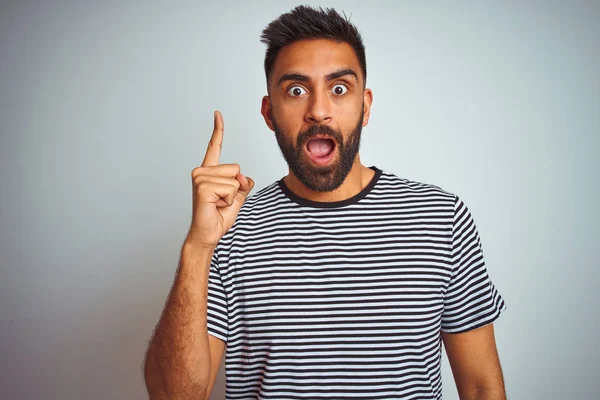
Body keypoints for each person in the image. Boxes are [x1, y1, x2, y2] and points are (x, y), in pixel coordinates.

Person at [143, 5, 507, 400]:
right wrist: (198, 247)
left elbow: (481, 386)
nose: (318, 109)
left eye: (339, 88)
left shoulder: (441, 218)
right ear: (269, 113)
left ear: (365, 106)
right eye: (296, 90)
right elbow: (173, 396)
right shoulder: (229, 231)